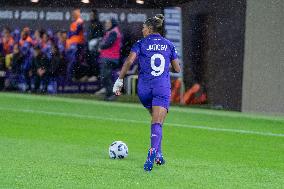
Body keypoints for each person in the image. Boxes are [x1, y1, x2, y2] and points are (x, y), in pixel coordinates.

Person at [112, 14, 181, 171]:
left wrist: (120, 80)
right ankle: (152, 153)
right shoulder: (169, 45)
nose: (142, 30)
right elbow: (177, 68)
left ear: (150, 29)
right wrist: (164, 68)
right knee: (158, 122)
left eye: (143, 27)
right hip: (161, 87)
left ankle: (159, 154)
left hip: (144, 89)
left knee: (156, 120)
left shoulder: (141, 43)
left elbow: (129, 61)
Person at [97, 18, 122, 100]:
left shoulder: (113, 32)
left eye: (108, 23)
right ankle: (109, 94)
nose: (106, 24)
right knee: (105, 76)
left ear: (112, 24)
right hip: (109, 57)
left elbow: (109, 43)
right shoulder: (112, 31)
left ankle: (112, 94)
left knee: (105, 76)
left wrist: (101, 46)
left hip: (110, 58)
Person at [66, 8, 85, 81]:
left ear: (78, 13)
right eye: (73, 13)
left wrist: (71, 34)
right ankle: (70, 78)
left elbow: (76, 32)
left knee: (74, 62)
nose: (73, 15)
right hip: (71, 45)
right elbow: (70, 34)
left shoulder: (79, 21)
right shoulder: (73, 23)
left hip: (77, 44)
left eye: (75, 13)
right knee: (71, 62)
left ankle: (72, 78)